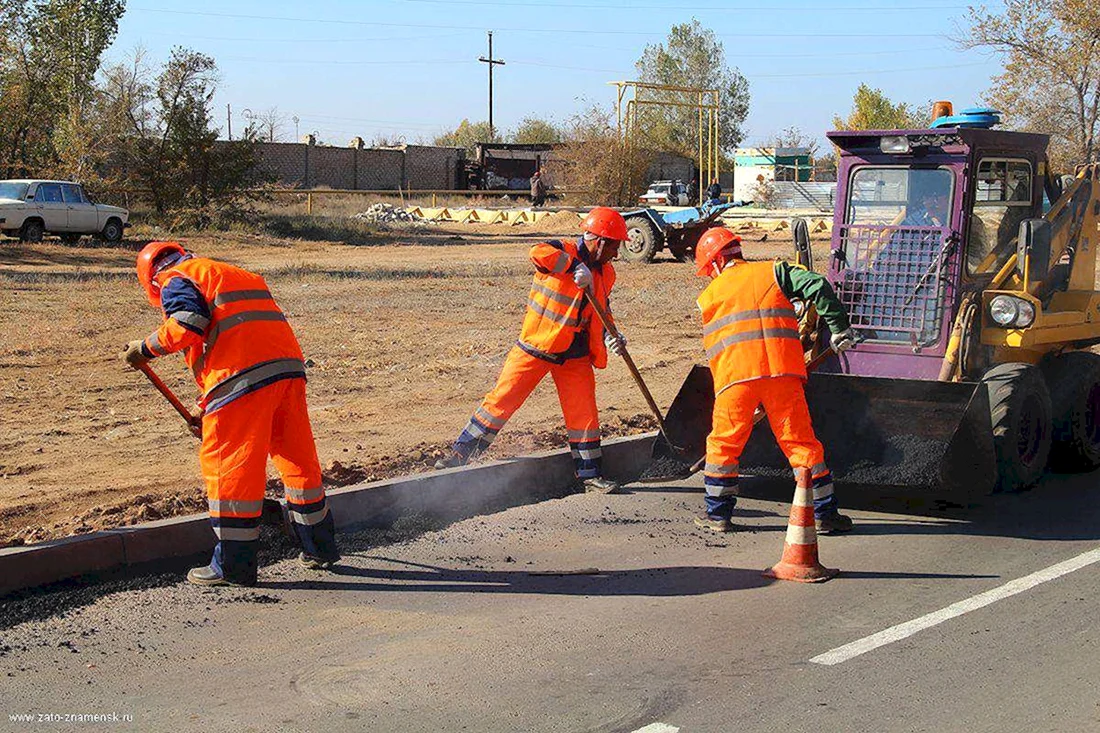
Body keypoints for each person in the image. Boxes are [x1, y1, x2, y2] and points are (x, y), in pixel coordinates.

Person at [122, 241, 340, 587]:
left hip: (242, 380)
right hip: (287, 371)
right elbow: (236, 338)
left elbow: (188, 325)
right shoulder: (231, 273)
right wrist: (204, 406)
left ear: (150, 280)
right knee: (297, 461)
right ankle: (320, 548)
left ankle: (233, 566)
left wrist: (145, 348)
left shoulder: (175, 278)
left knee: (230, 469)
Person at [434, 207, 630, 494]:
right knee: (501, 401)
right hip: (537, 346)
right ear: (598, 240)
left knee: (584, 414)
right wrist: (572, 266)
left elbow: (602, 309)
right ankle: (459, 457)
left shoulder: (606, 273)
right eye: (614, 245)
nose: (616, 253)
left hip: (574, 354)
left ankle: (591, 475)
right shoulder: (561, 250)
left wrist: (614, 335)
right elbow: (537, 252)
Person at [692, 227, 857, 534]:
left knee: (724, 445)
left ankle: (718, 516)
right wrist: (837, 328)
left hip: (734, 380)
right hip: (782, 373)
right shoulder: (773, 271)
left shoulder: (709, 297)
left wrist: (740, 395)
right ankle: (823, 514)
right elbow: (817, 283)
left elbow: (718, 350)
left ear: (714, 263)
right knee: (801, 444)